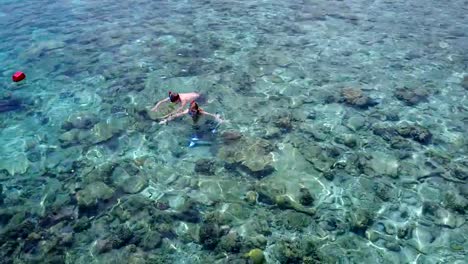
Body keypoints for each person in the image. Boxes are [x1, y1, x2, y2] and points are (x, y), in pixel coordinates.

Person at [158, 100, 223, 125]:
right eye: (192, 110)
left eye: (194, 110)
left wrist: (220, 120)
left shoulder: (200, 112)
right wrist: (166, 120)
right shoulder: (187, 111)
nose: (192, 111)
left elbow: (211, 115)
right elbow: (175, 116)